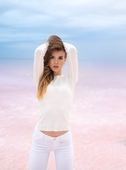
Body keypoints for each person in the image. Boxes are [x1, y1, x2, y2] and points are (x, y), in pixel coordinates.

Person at [30, 35, 78, 170]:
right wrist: (50, 45)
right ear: (47, 59)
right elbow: (38, 52)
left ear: (65, 60)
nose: (56, 61)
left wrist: (60, 44)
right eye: (52, 57)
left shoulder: (70, 80)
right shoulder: (40, 80)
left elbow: (73, 50)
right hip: (41, 140)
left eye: (60, 57)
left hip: (64, 141)